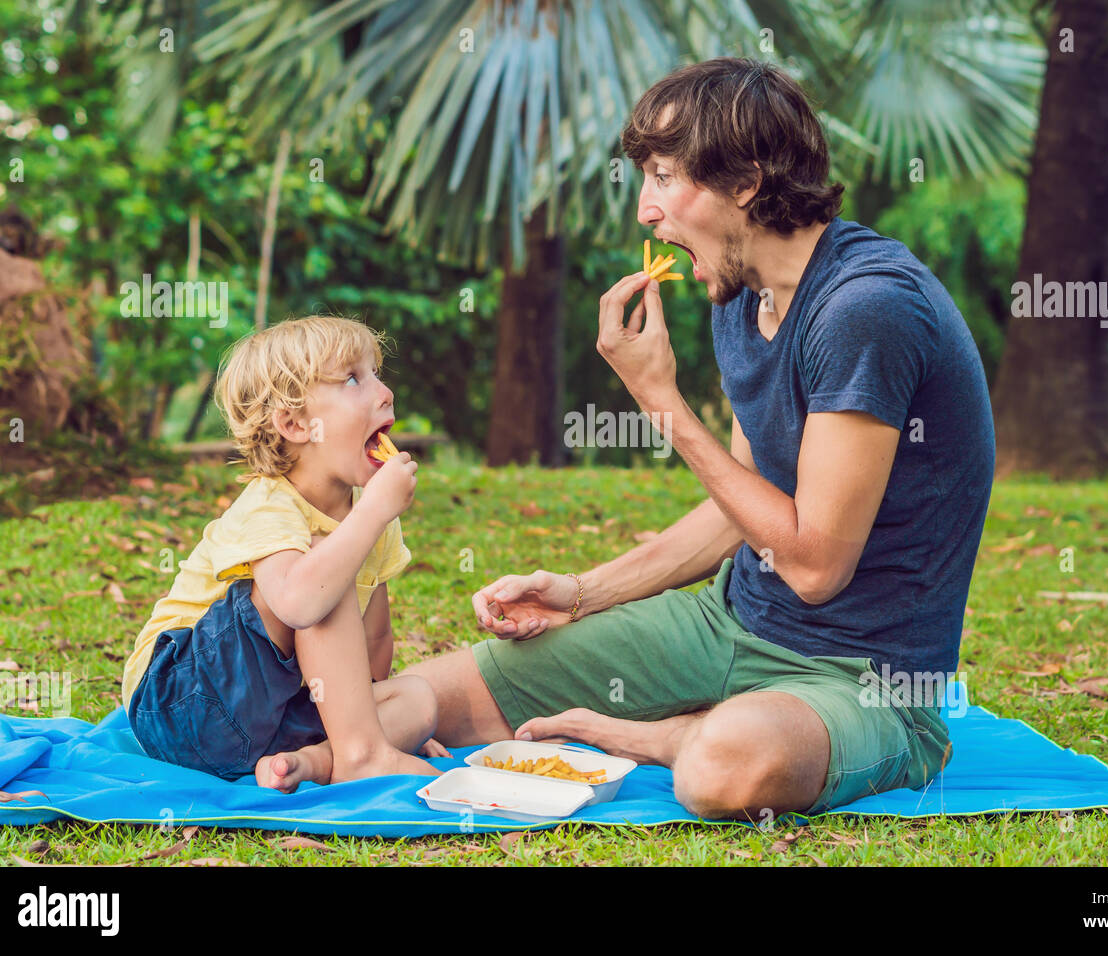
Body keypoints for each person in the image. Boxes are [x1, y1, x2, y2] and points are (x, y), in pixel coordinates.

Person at [396, 57, 996, 820]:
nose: (646, 210)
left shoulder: (864, 310)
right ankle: (680, 717)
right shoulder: (739, 294)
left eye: (663, 175)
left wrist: (661, 403)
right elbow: (744, 512)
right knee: (425, 697)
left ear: (745, 182)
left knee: (719, 770)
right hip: (727, 624)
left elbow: (813, 567)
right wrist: (582, 594)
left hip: (863, 678)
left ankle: (662, 735)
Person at [120, 315, 444, 791]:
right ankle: (361, 756)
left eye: (376, 373)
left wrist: (381, 724)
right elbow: (297, 602)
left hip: (268, 727)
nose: (384, 391)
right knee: (317, 568)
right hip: (179, 704)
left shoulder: (375, 523)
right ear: (295, 424)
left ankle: (317, 761)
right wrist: (372, 513)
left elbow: (374, 656)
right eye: (354, 378)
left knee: (419, 699)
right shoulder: (269, 505)